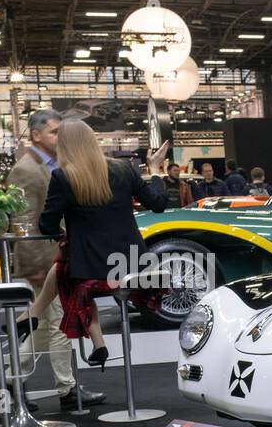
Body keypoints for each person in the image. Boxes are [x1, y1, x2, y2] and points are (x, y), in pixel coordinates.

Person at [18, 120, 168, 370]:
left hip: (91, 270)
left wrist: (63, 234)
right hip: (131, 264)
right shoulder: (125, 169)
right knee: (68, 270)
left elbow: (47, 224)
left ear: (65, 146)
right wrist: (154, 169)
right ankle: (92, 342)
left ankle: (33, 316)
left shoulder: (63, 177)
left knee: (68, 271)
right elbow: (159, 203)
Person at [6, 109, 103, 408]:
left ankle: (12, 379)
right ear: (36, 135)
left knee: (46, 326)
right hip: (44, 263)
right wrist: (36, 267)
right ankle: (67, 390)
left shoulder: (53, 165)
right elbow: (23, 222)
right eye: (54, 132)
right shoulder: (26, 169)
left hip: (56, 260)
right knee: (60, 322)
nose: (60, 137)